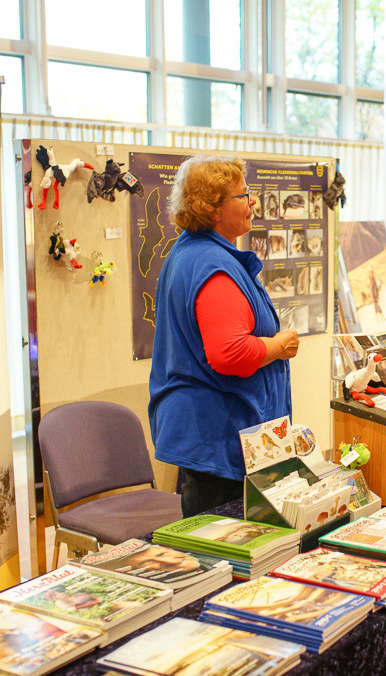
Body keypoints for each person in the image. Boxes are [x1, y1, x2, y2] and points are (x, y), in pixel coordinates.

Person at [149, 155, 299, 518]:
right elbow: (229, 353)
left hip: (216, 437)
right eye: (243, 196)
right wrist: (278, 346)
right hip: (219, 441)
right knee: (225, 554)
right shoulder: (211, 265)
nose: (253, 203)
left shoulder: (195, 252)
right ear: (213, 209)